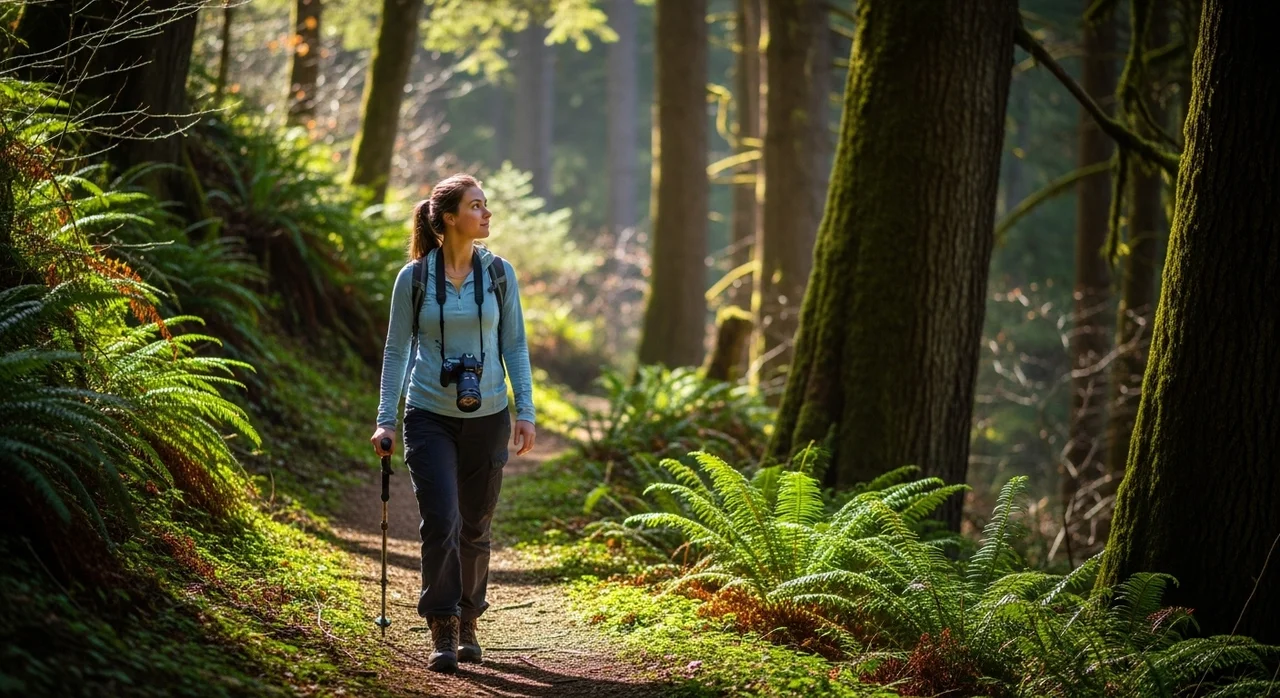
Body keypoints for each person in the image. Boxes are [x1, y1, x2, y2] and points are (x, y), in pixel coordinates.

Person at [370, 173, 536, 674]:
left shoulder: (499, 273)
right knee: (442, 520)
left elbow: (515, 345)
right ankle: (442, 623)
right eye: (477, 205)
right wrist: (386, 419)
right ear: (449, 218)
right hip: (428, 415)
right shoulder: (415, 278)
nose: (487, 213)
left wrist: (525, 411)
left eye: (486, 204)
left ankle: (468, 618)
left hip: (489, 415)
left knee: (476, 526)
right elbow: (397, 350)